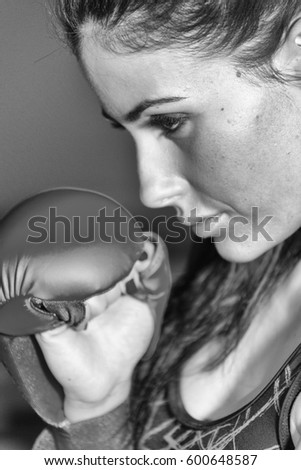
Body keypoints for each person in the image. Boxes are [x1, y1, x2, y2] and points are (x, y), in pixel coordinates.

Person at [32, 0, 301, 449]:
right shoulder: (228, 269)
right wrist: (100, 410)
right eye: (127, 130)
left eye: (170, 122)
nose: (152, 191)